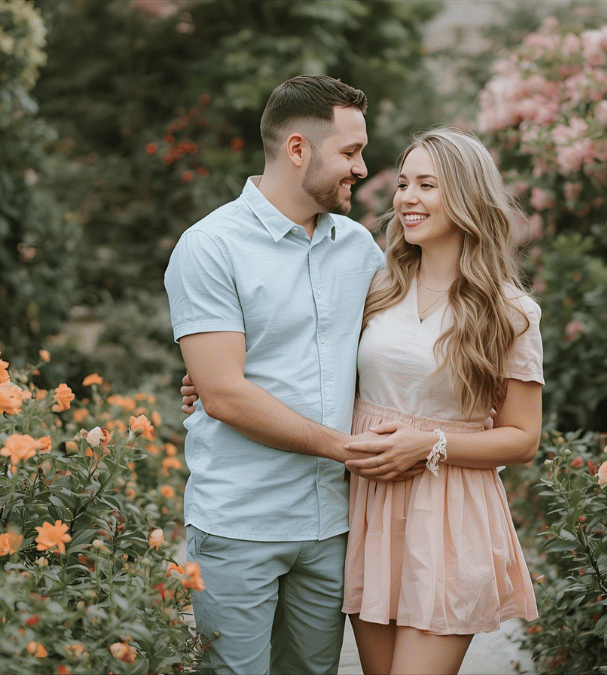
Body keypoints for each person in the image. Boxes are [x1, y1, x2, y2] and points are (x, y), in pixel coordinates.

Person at [164, 74, 410, 675]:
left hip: (332, 524)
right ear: (298, 148)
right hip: (241, 522)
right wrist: (340, 447)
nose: (361, 167)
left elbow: (398, 350)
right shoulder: (210, 247)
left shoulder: (359, 249)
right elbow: (224, 393)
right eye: (350, 152)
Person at [337, 127, 543, 675]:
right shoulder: (377, 287)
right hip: (371, 508)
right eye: (403, 184)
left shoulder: (510, 310)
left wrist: (426, 444)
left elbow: (523, 438)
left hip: (450, 513)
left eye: (427, 184)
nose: (407, 198)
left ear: (466, 195)